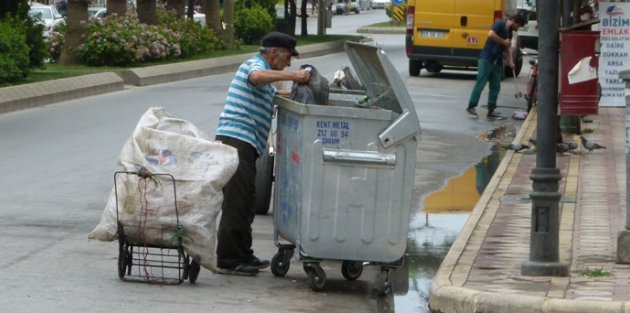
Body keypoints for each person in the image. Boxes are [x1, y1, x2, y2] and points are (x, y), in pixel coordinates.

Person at [214, 32, 311, 276]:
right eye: (288, 58)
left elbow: (276, 95)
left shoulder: (267, 78)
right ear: (274, 52)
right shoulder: (254, 65)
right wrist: (294, 76)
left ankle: (243, 253)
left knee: (248, 200)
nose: (289, 63)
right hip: (236, 140)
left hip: (247, 145)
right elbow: (257, 77)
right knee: (236, 201)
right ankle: (228, 259)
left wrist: (303, 91)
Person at [465, 14, 525, 120]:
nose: (517, 28)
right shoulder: (499, 24)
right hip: (486, 58)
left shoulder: (510, 33)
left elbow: (506, 49)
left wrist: (510, 63)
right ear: (513, 21)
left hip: (497, 60)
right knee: (481, 82)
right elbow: (491, 34)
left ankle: (491, 109)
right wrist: (504, 41)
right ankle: (471, 106)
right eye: (518, 26)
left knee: (496, 85)